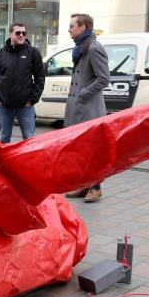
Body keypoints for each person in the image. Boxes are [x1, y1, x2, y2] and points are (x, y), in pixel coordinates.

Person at [63, 13, 110, 202]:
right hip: (78, 108)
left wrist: (83, 94)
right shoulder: (81, 47)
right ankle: (84, 185)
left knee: (92, 150)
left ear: (82, 27)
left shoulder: (94, 48)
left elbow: (104, 78)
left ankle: (96, 187)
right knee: (80, 150)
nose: (69, 29)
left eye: (72, 26)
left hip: (89, 108)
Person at [0, 22, 45, 143]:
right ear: (10, 34)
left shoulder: (33, 53)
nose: (21, 35)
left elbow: (40, 77)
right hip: (4, 106)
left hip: (25, 106)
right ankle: (4, 162)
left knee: (29, 139)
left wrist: (32, 100)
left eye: (24, 33)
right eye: (18, 33)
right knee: (4, 140)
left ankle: (28, 162)